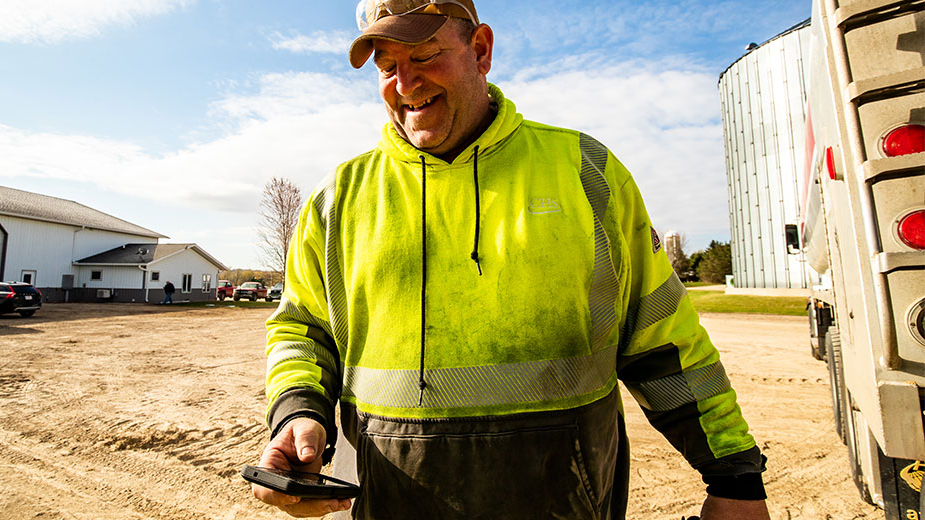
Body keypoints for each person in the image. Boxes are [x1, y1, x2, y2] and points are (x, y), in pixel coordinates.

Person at [253, 1, 769, 518]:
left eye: (425, 55)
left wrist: (734, 478)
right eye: (388, 67)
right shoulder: (338, 200)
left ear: (481, 50)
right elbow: (303, 331)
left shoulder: (587, 174)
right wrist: (298, 415)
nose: (405, 83)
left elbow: (663, 339)